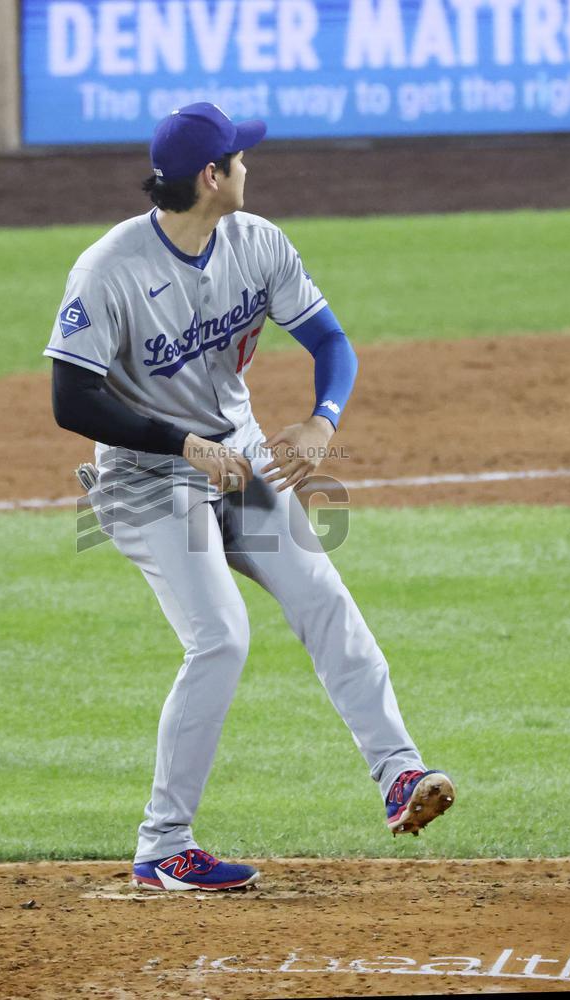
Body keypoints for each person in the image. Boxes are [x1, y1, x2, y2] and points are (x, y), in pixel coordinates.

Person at [45, 103, 455, 892]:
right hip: (142, 479)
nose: (249, 167)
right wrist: (182, 444)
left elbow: (332, 343)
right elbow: (72, 398)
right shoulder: (110, 269)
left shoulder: (256, 241)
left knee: (323, 598)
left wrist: (319, 420)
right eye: (240, 157)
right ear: (211, 175)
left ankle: (400, 775)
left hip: (241, 462)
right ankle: (164, 843)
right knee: (220, 636)